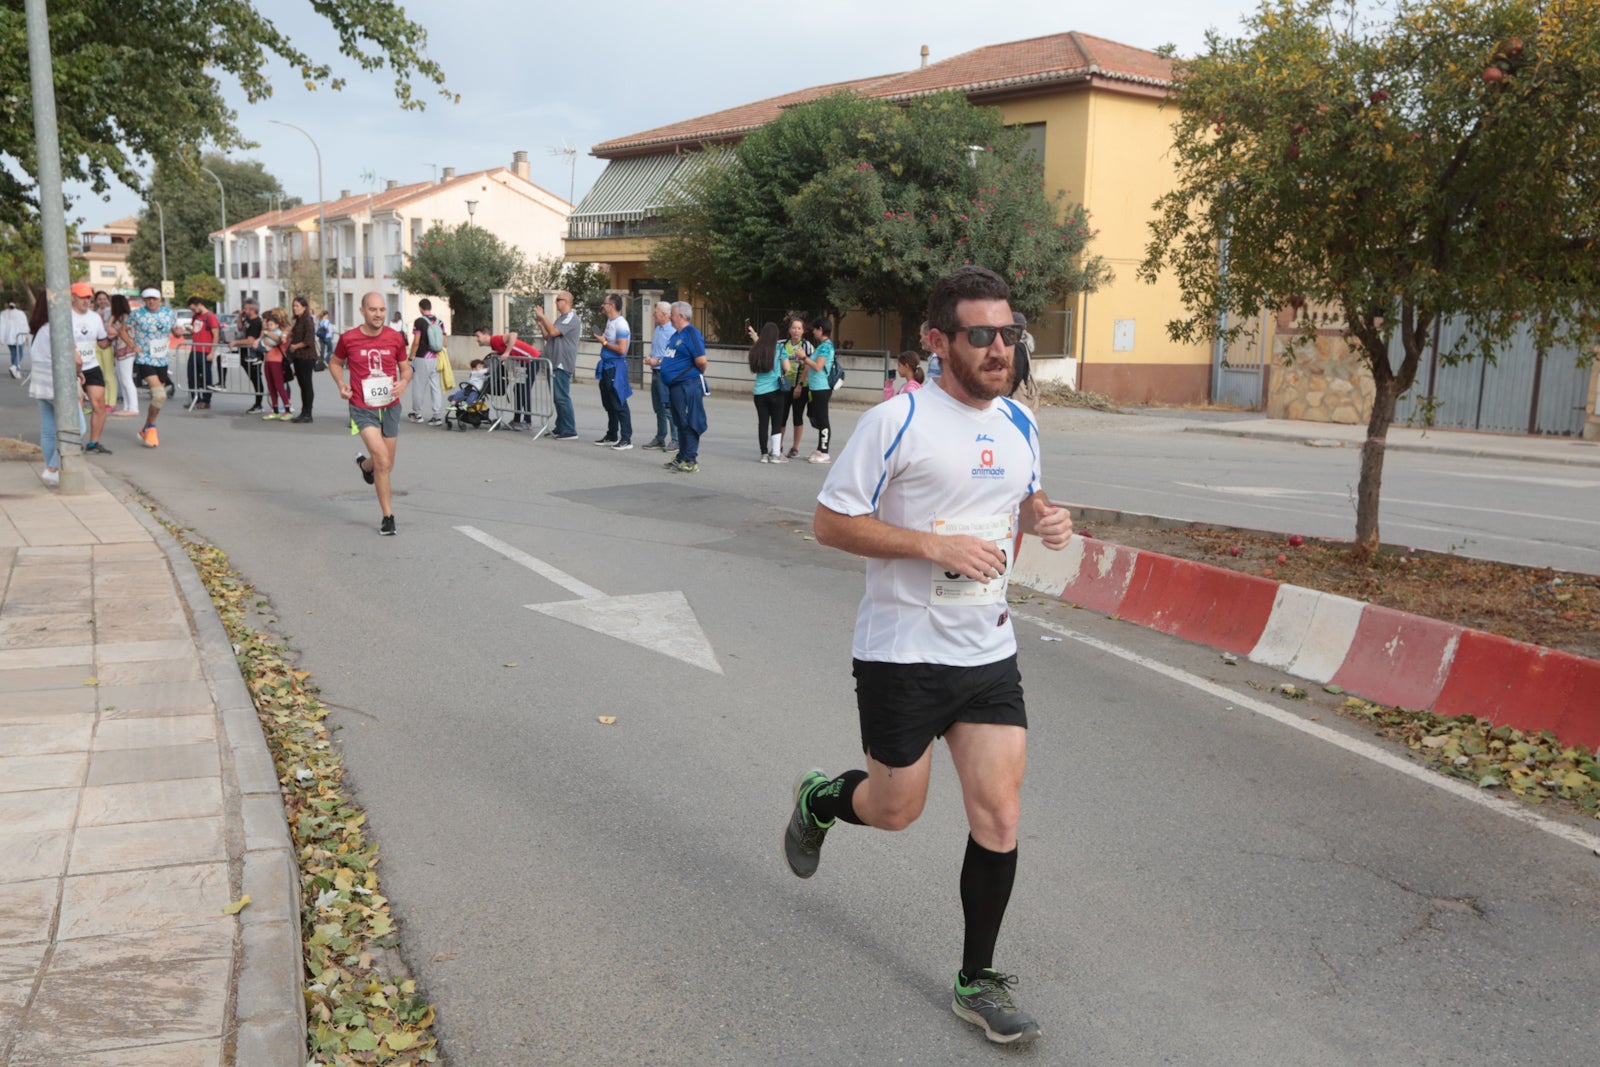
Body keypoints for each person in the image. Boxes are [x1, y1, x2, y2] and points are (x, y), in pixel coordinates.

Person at [782, 265, 1073, 1048]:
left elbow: (1028, 494)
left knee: (1000, 814)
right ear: (938, 341)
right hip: (902, 654)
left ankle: (977, 978)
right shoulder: (898, 420)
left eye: (1009, 333)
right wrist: (929, 544)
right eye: (980, 335)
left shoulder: (1019, 421)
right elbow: (831, 522)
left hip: (987, 649)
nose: (999, 348)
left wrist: (1047, 519)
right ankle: (822, 798)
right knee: (896, 809)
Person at [331, 292, 411, 535]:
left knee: (386, 463)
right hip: (362, 406)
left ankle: (366, 467)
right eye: (373, 310)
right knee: (383, 460)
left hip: (390, 405)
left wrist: (403, 383)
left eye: (382, 310)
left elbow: (405, 369)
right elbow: (334, 363)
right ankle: (388, 517)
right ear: (362, 311)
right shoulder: (349, 338)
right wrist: (341, 385)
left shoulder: (395, 338)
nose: (378, 314)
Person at [25, 291, 69, 486]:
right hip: (56, 385)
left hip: (40, 384)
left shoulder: (37, 329)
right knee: (77, 427)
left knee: (49, 430)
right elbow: (70, 358)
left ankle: (51, 469)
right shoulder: (55, 329)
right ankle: (52, 468)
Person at [658, 301, 707, 473]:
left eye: (672, 314)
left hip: (688, 385)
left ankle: (691, 460)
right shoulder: (675, 335)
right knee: (680, 422)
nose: (670, 317)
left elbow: (701, 361)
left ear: (680, 315)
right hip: (675, 386)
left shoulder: (691, 333)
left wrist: (692, 375)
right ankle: (682, 456)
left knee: (690, 421)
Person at [128, 287, 180, 448]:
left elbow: (175, 331)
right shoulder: (137, 314)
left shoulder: (169, 313)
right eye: (148, 299)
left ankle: (147, 427)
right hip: (145, 358)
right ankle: (151, 428)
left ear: (160, 300)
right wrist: (132, 345)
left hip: (162, 359)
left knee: (158, 399)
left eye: (154, 298)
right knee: (159, 395)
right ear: (144, 300)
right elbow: (123, 330)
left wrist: (178, 332)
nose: (151, 301)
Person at [65, 283, 113, 454]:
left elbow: (102, 342)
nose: (87, 300)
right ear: (73, 297)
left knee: (99, 404)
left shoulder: (94, 317)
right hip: (71, 368)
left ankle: (94, 443)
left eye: (88, 297)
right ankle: (73, 441)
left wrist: (111, 337)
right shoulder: (65, 316)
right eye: (82, 297)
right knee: (76, 406)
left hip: (91, 365)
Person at [471, 326, 541, 428]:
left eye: (478, 336)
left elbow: (513, 335)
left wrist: (507, 352)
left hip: (531, 360)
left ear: (486, 335)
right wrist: (500, 352)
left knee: (524, 390)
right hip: (524, 363)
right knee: (517, 389)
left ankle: (527, 421)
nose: (476, 339)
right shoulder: (494, 345)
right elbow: (505, 347)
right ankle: (516, 420)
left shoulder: (495, 339)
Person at [533, 290, 580, 439]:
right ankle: (561, 426)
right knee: (556, 397)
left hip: (561, 363)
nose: (556, 302)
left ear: (567, 302)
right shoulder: (562, 318)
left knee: (562, 397)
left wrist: (543, 316)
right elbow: (548, 336)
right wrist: (541, 324)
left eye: (559, 299)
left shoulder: (571, 318)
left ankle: (570, 429)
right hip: (552, 362)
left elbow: (553, 332)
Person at [744, 321, 791, 462]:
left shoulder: (756, 349)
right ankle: (776, 454)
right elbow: (787, 368)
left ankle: (764, 454)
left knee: (763, 423)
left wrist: (754, 336)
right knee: (776, 423)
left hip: (759, 392)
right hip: (776, 391)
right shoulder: (780, 348)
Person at [592, 293, 633, 449]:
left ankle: (626, 438)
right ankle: (612, 434)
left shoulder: (621, 324)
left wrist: (604, 342)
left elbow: (622, 349)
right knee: (609, 403)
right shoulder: (610, 321)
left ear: (612, 305)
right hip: (607, 367)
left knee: (619, 402)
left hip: (615, 368)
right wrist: (604, 340)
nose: (603, 305)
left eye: (605, 303)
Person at [641, 300, 676, 451]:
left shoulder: (673, 332)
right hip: (655, 373)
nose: (654, 313)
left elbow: (672, 355)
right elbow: (657, 349)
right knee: (658, 408)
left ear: (665, 314)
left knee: (668, 407)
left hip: (665, 374)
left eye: (656, 312)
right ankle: (660, 437)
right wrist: (650, 358)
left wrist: (656, 360)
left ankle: (676, 439)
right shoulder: (658, 330)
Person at [803, 316, 837, 463]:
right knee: (817, 416)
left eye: (815, 330)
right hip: (816, 387)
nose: (813, 333)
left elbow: (818, 366)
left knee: (823, 419)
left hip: (822, 387)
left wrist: (804, 358)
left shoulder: (826, 346)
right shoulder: (823, 345)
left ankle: (825, 452)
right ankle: (819, 449)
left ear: (820, 330)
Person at [408, 297, 446, 426]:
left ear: (420, 308)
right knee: (435, 387)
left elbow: (416, 341)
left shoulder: (419, 321)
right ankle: (437, 416)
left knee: (418, 386)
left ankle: (417, 414)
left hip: (422, 357)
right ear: (430, 307)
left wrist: (410, 358)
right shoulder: (440, 321)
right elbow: (444, 342)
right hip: (436, 357)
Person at [782, 315, 815, 459]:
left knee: (797, 417)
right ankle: (779, 446)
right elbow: (767, 347)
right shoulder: (782, 344)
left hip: (801, 386)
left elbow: (809, 366)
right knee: (781, 417)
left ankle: (795, 448)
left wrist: (800, 386)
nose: (796, 331)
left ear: (803, 331)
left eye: (799, 328)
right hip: (784, 386)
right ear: (789, 330)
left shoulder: (807, 346)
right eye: (793, 328)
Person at [286, 296, 319, 423]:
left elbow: (308, 340)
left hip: (307, 356)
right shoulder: (298, 320)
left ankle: (308, 413)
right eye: (293, 306)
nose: (295, 308)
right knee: (302, 385)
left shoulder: (307, 320)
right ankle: (304, 411)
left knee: (307, 384)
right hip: (298, 356)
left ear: (304, 307)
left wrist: (295, 346)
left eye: (297, 306)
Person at [185, 297, 221, 409]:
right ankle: (195, 398)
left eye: (194, 308)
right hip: (195, 350)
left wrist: (212, 352)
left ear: (199, 304)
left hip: (205, 351)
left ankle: (206, 400)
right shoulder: (195, 316)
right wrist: (190, 330)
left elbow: (216, 334)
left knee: (206, 376)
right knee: (191, 375)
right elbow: (196, 330)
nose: (194, 311)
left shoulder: (210, 317)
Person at [108, 294, 140, 415]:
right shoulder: (123, 317)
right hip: (121, 350)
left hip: (126, 350)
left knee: (126, 379)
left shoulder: (124, 318)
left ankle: (133, 407)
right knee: (123, 379)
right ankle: (127, 406)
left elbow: (109, 330)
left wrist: (111, 318)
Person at [232, 300, 266, 412]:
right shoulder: (247, 319)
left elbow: (250, 340)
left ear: (252, 310)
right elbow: (240, 328)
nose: (243, 310)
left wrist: (236, 342)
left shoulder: (256, 322)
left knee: (255, 378)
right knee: (222, 359)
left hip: (253, 355)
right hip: (243, 352)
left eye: (245, 308)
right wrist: (240, 317)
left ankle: (258, 403)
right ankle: (221, 382)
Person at [259, 308, 292, 419]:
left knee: (279, 386)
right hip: (268, 359)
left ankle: (288, 410)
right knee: (271, 386)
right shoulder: (272, 329)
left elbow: (279, 340)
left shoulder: (285, 330)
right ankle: (275, 409)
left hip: (276, 360)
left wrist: (267, 332)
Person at [2, 299, 28, 379]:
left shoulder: (3, 314)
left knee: (14, 354)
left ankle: (16, 372)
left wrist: (2, 338)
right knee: (20, 354)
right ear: (15, 304)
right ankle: (15, 367)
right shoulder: (20, 313)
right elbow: (24, 324)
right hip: (18, 337)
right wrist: (25, 334)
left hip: (8, 337)